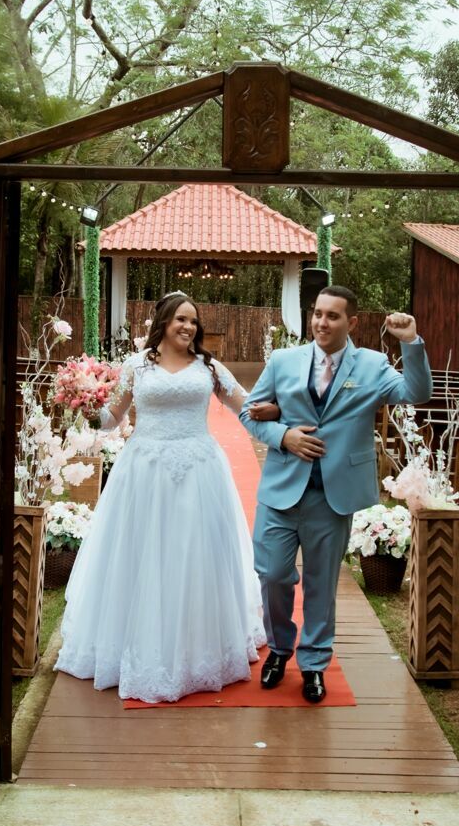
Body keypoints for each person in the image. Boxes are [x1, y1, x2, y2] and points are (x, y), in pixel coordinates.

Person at [55, 293, 281, 704]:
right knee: (142, 555)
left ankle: (199, 648)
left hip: (199, 470)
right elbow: (112, 420)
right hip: (145, 470)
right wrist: (87, 404)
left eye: (194, 321)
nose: (188, 327)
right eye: (181, 319)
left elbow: (244, 407)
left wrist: (282, 411)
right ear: (163, 321)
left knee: (195, 555)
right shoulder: (135, 366)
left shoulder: (208, 368)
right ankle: (133, 644)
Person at [240, 286, 433, 703]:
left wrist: (412, 343)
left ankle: (313, 663)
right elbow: (249, 413)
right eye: (317, 314)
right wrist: (283, 435)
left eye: (332, 316)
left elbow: (416, 394)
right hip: (281, 489)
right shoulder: (283, 361)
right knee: (272, 575)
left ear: (352, 322)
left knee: (320, 583)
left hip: (333, 495)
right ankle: (278, 647)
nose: (321, 323)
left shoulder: (374, 365)